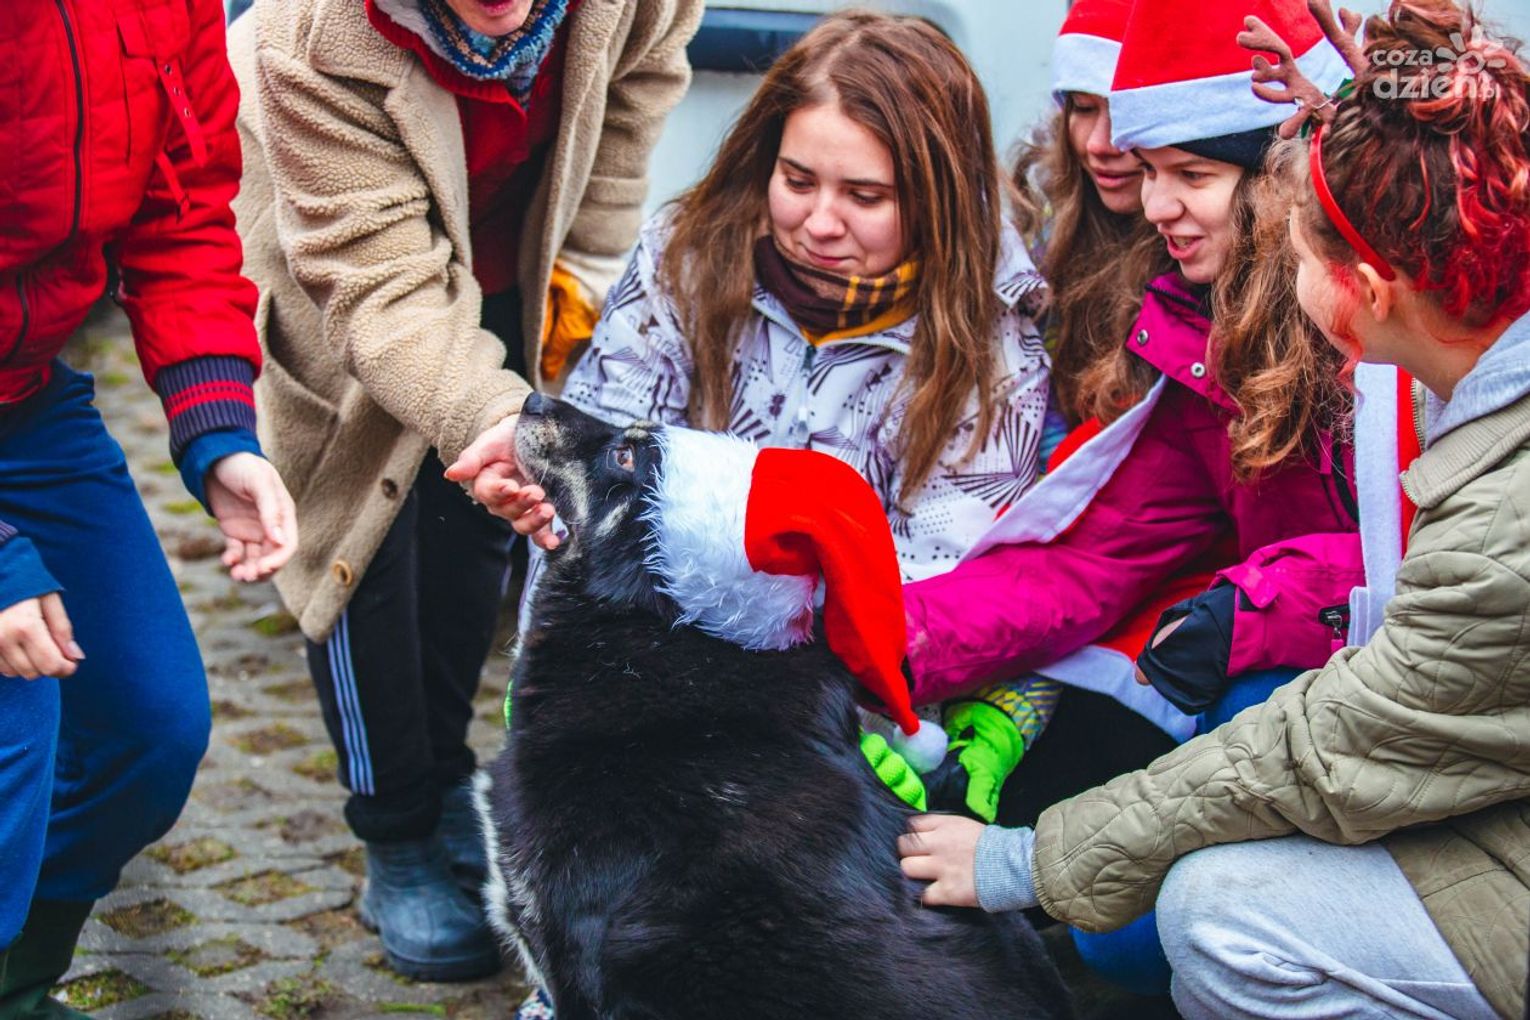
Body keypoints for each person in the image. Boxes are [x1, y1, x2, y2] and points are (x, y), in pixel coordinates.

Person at [899, 2, 1530, 1017]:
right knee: (1128, 930)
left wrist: (1024, 862)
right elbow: (1091, 550)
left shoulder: (1419, 387)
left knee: (1197, 912)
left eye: (1189, 174)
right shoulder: (1222, 332)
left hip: (1378, 705)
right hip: (1414, 708)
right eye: (1145, 170)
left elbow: (1380, 658)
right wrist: (882, 639)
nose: (1153, 205)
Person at [228, 0, 702, 982]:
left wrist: (582, 273)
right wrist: (493, 418)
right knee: (362, 541)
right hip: (345, 270)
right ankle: (394, 831)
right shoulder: (305, 38)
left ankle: (446, 780)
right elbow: (378, 289)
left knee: (473, 538)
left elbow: (633, 93)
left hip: (503, 255)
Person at [557, 8, 1054, 814]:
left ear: (937, 196)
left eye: (866, 195)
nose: (820, 224)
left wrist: (825, 713)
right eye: (797, 181)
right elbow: (593, 467)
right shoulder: (684, 257)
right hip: (650, 653)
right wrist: (561, 664)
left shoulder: (991, 345)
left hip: (843, 706)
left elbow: (936, 578)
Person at [0, 1, 297, 1015]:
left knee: (148, 725)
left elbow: (182, 210)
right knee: (15, 717)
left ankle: (19, 984)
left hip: (26, 401)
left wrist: (219, 432)